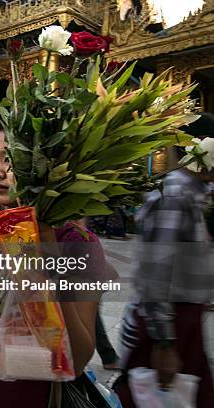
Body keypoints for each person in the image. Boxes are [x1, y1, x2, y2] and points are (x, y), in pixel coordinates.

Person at [0, 123, 110, 406]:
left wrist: (50, 261)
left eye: (10, 160)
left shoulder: (78, 244)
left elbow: (76, 357)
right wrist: (40, 336)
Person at [115, 143, 214, 407]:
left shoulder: (194, 193)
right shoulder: (174, 195)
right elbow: (156, 272)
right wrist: (164, 343)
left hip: (184, 325)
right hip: (166, 329)